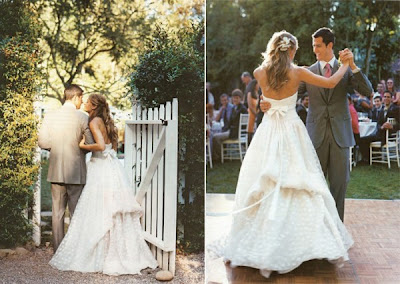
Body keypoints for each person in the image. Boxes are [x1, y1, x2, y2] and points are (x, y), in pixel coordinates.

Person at [214, 30, 354, 278]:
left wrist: (266, 104)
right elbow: (331, 83)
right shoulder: (298, 72)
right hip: (291, 132)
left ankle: (263, 242)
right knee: (300, 182)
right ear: (291, 50)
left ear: (272, 48)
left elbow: (259, 102)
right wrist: (344, 66)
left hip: (268, 133)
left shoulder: (259, 73)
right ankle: (305, 245)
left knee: (264, 183)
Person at [260, 27, 372, 221]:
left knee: (339, 186)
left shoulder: (345, 70)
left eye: (318, 45)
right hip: (314, 138)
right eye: (313, 46)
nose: (315, 50)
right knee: (313, 187)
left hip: (341, 137)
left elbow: (367, 90)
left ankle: (337, 230)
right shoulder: (307, 72)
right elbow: (285, 92)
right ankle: (318, 229)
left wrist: (352, 65)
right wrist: (267, 102)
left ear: (330, 45)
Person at [49, 94, 158, 275]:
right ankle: (113, 250)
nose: (84, 103)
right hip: (110, 165)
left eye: (87, 102)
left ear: (94, 105)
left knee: (98, 208)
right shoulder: (106, 121)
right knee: (108, 207)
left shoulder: (93, 122)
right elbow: (111, 145)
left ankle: (102, 253)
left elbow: (100, 146)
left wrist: (83, 145)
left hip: (100, 167)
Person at [38, 84, 94, 253]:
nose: (82, 101)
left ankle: (58, 250)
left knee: (57, 212)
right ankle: (75, 250)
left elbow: (43, 142)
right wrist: (77, 148)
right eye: (81, 98)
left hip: (56, 170)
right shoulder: (83, 117)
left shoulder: (50, 116)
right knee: (76, 212)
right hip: (76, 171)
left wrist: (57, 148)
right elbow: (90, 143)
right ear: (75, 97)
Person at [359, 90, 400, 161]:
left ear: (391, 99)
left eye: (388, 97)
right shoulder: (382, 110)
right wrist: (381, 127)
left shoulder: (396, 109)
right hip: (380, 133)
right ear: (383, 98)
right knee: (363, 138)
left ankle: (367, 158)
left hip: (388, 135)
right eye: (385, 97)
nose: (386, 98)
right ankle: (372, 156)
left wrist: (392, 127)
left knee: (362, 140)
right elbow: (379, 123)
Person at [212, 89, 247, 161]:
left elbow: (237, 123)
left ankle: (220, 157)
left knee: (215, 137)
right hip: (231, 130)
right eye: (234, 98)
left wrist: (229, 128)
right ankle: (221, 155)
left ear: (240, 98)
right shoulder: (235, 108)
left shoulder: (242, 109)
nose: (235, 99)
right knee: (216, 135)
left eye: (237, 98)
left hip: (234, 132)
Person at [246, 79, 260, 144]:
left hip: (256, 113)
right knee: (250, 128)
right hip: (251, 113)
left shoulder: (258, 94)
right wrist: (255, 113)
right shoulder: (250, 93)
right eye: (258, 84)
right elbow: (250, 106)